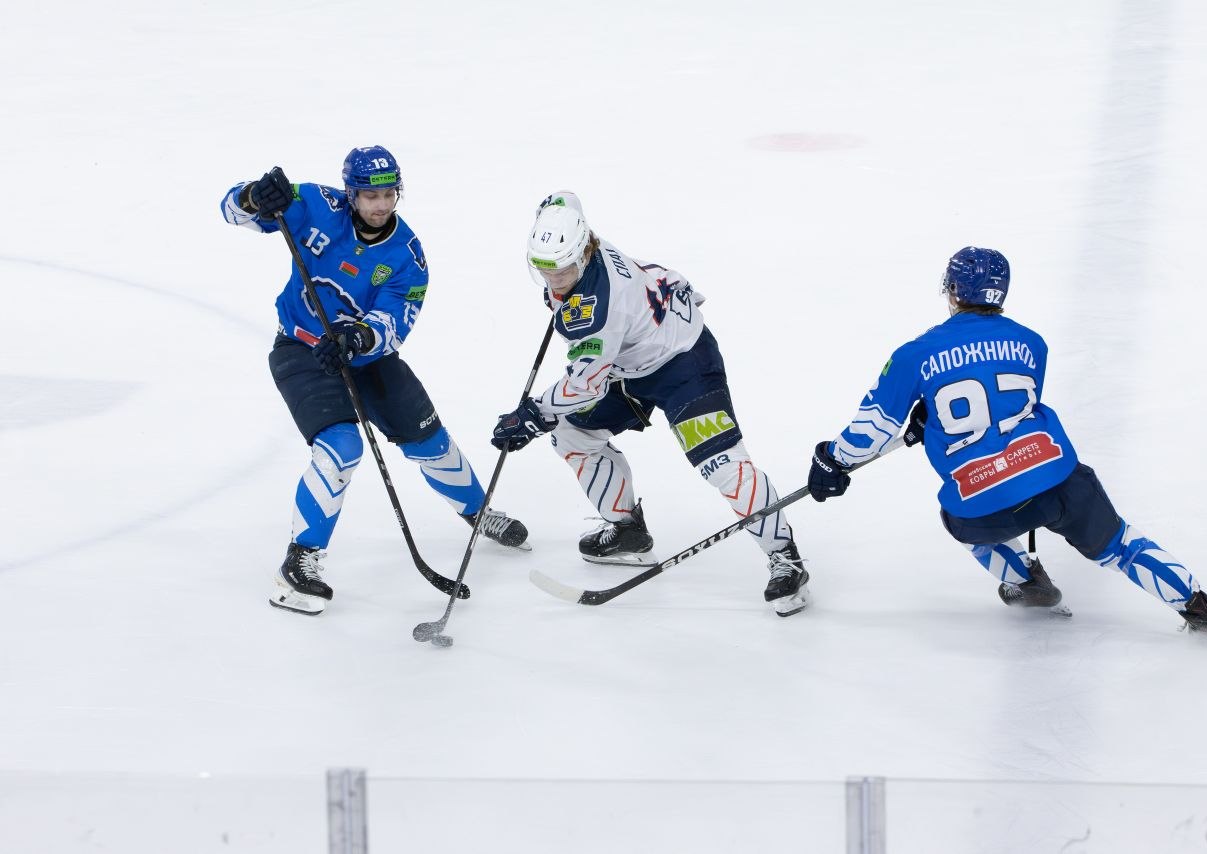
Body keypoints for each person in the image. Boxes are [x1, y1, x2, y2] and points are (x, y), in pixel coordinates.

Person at [807, 246, 1207, 636]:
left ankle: (1029, 584)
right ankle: (1202, 611)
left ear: (953, 290)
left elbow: (874, 428)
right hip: (1055, 477)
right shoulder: (1032, 343)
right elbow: (1012, 406)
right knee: (1121, 545)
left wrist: (833, 460)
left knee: (965, 525)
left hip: (980, 501)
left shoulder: (914, 354)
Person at [221, 146, 530, 616]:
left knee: (431, 440)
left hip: (366, 357)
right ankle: (299, 561)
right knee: (342, 447)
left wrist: (360, 337)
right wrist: (251, 196)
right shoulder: (316, 205)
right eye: (370, 195)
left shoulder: (408, 255)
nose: (381, 205)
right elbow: (231, 211)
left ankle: (478, 513)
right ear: (351, 194)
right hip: (302, 351)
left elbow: (397, 319)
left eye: (389, 194)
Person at [490, 192, 810, 617]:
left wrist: (534, 414)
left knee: (722, 464)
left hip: (683, 363)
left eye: (562, 270)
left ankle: (786, 558)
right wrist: (550, 209)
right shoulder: (578, 239)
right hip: (630, 362)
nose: (553, 280)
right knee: (573, 433)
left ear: (583, 253)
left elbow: (585, 385)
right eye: (543, 269)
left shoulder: (597, 309)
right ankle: (627, 533)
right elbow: (565, 199)